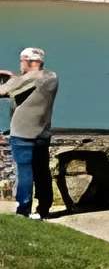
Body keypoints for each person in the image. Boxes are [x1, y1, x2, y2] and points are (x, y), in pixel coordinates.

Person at [8, 47, 57, 219]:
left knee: (25, 172)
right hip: (42, 132)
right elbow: (22, 85)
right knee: (42, 171)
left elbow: (4, 91)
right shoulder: (51, 77)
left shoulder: (30, 77)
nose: (20, 64)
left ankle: (23, 210)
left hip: (23, 133)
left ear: (30, 61)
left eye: (22, 61)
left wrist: (10, 78)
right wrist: (14, 77)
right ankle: (44, 208)